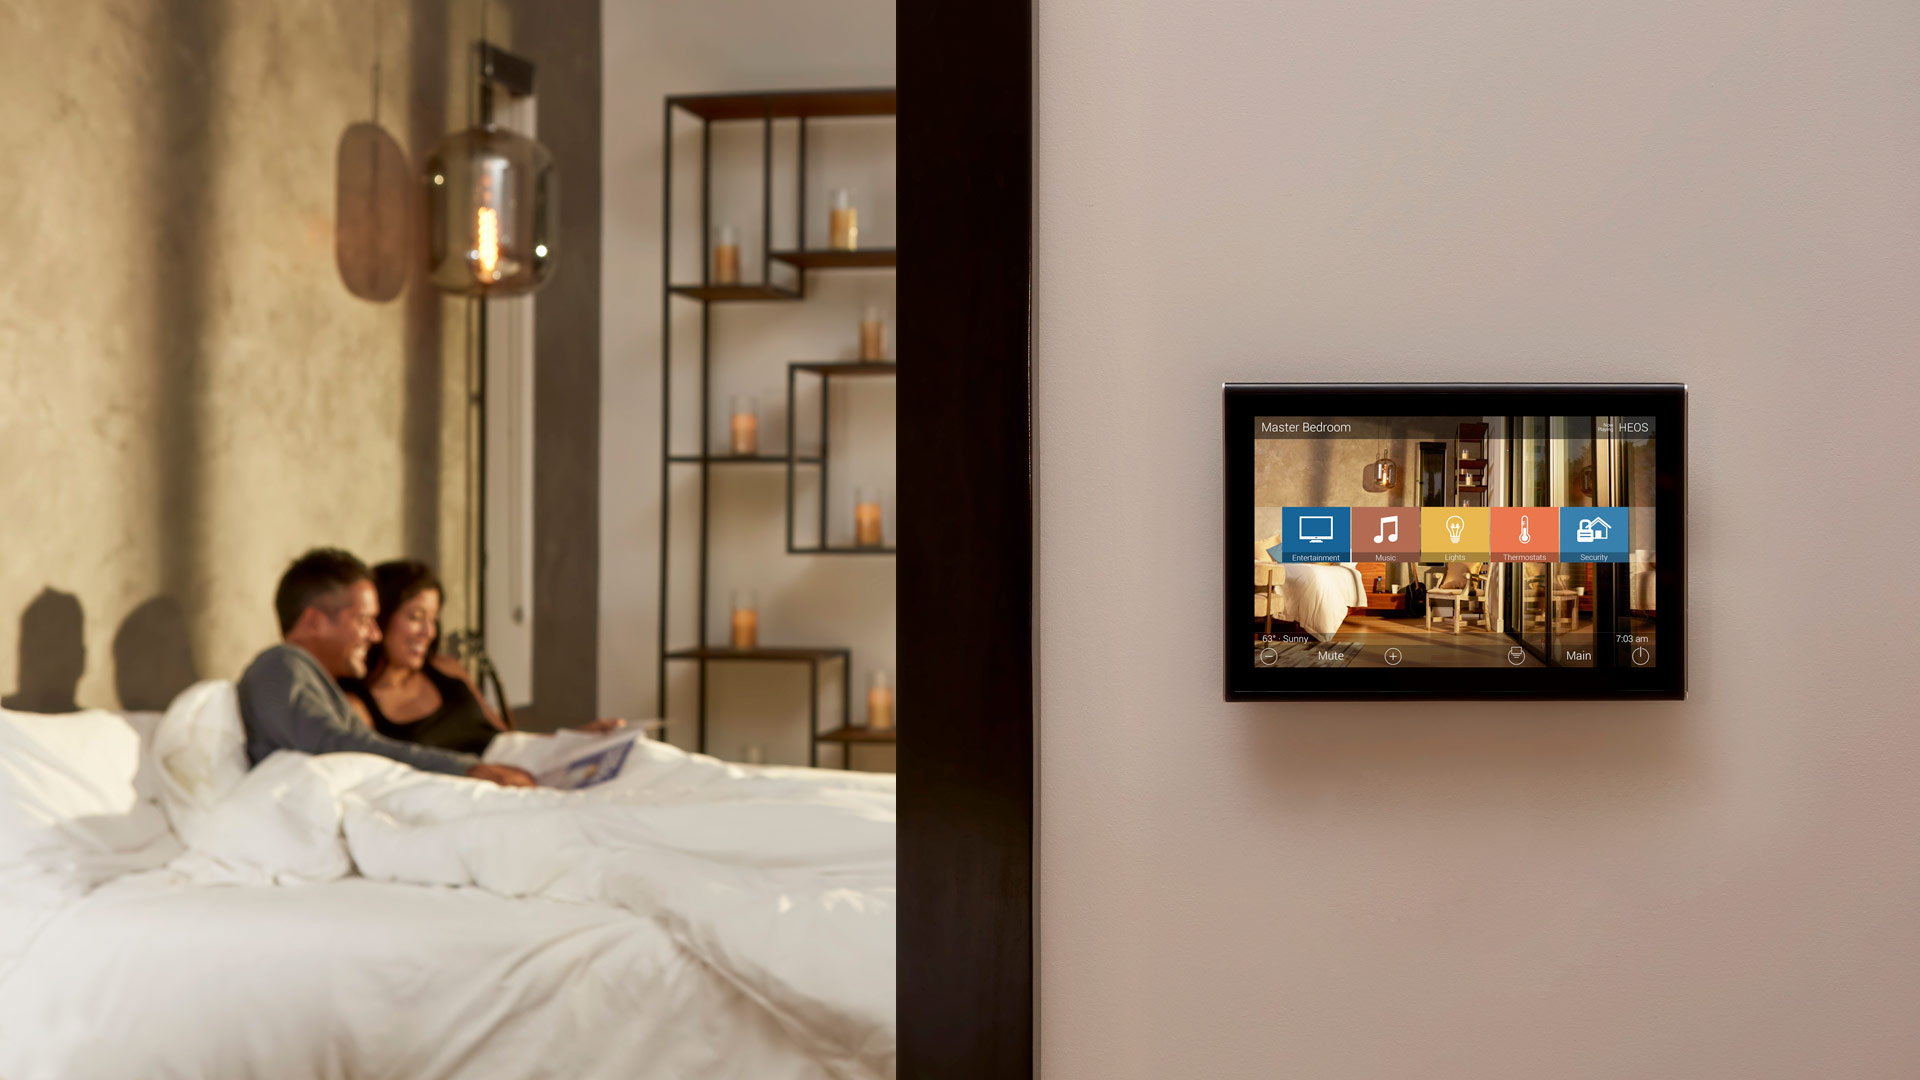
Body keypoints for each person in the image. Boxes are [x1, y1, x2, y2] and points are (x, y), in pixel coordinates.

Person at [236, 548, 535, 787]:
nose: (375, 635)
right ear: (315, 622)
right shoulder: (279, 664)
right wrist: (464, 769)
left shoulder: (315, 686)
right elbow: (339, 746)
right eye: (364, 620)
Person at [339, 560, 623, 755]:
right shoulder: (359, 706)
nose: (428, 632)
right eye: (415, 617)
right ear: (381, 615)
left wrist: (575, 739)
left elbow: (508, 739)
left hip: (518, 773)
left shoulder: (447, 670)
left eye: (434, 619)